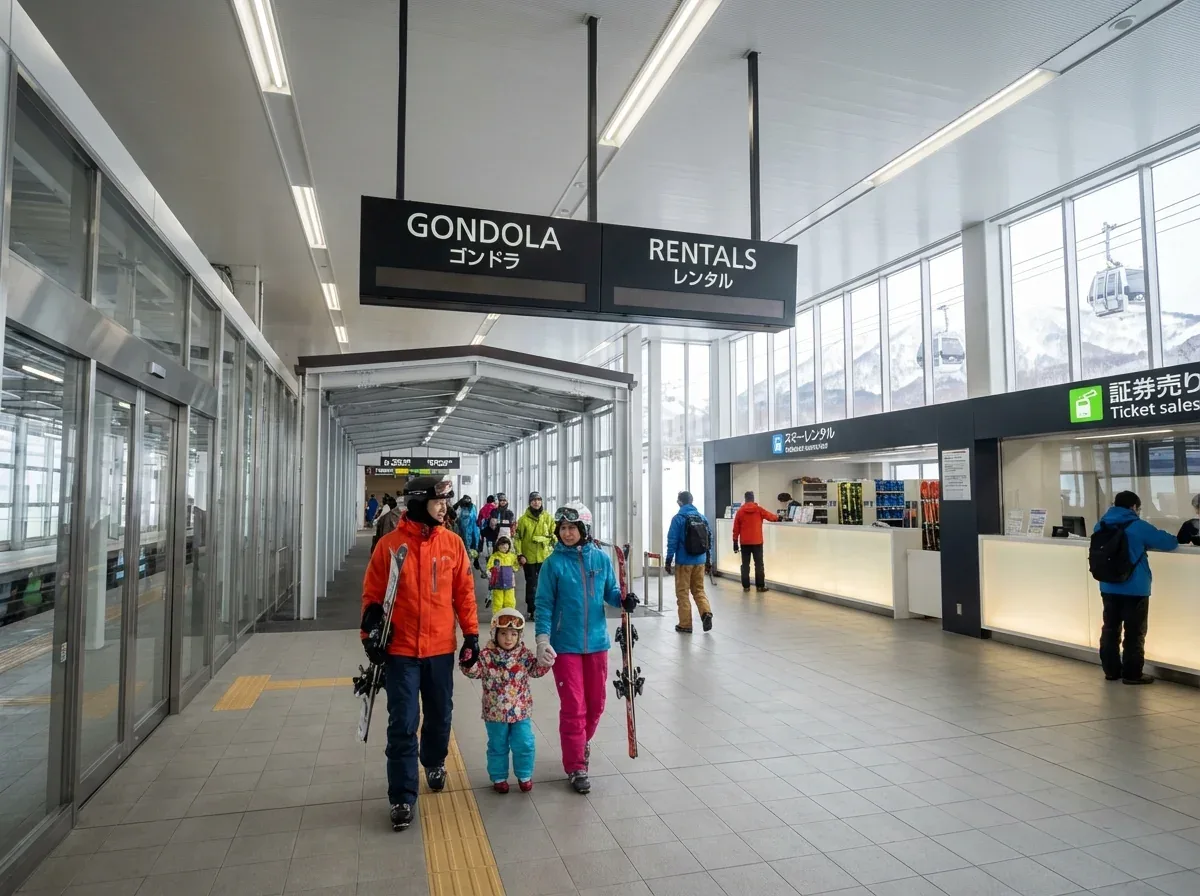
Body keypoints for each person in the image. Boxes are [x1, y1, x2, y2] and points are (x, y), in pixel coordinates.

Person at [359, 475, 479, 831]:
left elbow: (465, 594)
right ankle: (402, 795)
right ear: (416, 503)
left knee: (441, 715)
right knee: (403, 722)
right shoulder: (390, 546)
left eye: (446, 501)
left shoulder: (453, 544)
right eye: (438, 501)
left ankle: (434, 760)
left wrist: (471, 636)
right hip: (401, 651)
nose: (445, 507)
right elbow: (373, 594)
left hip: (440, 648)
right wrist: (370, 632)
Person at [534, 502, 637, 794]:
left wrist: (624, 600)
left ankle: (581, 741)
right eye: (563, 528)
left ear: (584, 529)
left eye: (572, 528)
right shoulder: (552, 564)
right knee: (574, 707)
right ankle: (577, 765)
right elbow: (543, 605)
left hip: (597, 643)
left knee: (596, 704)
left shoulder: (601, 560)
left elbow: (612, 593)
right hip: (564, 645)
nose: (566, 533)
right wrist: (543, 639)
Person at [460, 608, 551, 793]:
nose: (508, 638)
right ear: (495, 634)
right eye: (503, 633)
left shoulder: (524, 655)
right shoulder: (486, 656)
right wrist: (468, 661)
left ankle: (524, 774)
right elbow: (474, 672)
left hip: (521, 712)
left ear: (519, 635)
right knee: (497, 745)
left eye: (513, 634)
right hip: (494, 713)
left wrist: (545, 662)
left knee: (525, 742)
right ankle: (499, 776)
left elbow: (535, 671)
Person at [1094, 490, 1178, 685]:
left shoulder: (1101, 524)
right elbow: (1168, 542)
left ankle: (1111, 671)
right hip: (1135, 587)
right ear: (1133, 507)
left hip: (1108, 585)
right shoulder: (1138, 526)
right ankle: (1132, 674)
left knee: (1109, 628)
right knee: (1134, 632)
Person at [664, 490, 713, 634]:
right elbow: (709, 540)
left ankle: (685, 624)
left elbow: (672, 541)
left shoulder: (678, 518)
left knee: (683, 592)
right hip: (700, 560)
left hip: (684, 562)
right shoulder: (702, 517)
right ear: (691, 501)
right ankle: (706, 612)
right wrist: (709, 560)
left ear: (680, 501)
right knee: (699, 590)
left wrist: (668, 560)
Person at [514, 491, 555, 621]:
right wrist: (520, 554)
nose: (536, 502)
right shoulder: (523, 520)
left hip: (544, 556)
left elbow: (555, 535)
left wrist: (545, 539)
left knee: (545, 584)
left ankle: (545, 609)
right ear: (530, 502)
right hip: (529, 557)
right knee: (531, 584)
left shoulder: (548, 518)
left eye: (538, 500)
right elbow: (517, 538)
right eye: (533, 500)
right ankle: (532, 609)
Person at [732, 491, 778, 592]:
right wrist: (778, 517)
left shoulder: (740, 511)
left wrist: (735, 541)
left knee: (745, 565)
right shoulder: (759, 510)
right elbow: (770, 517)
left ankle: (746, 586)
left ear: (745, 499)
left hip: (744, 543)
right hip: (757, 542)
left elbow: (736, 528)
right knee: (759, 564)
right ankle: (760, 586)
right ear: (753, 498)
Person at [488, 536, 521, 615]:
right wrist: (490, 573)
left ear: (509, 546)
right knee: (497, 602)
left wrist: (519, 562)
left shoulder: (512, 556)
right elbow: (489, 567)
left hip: (509, 583)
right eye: (501, 545)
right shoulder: (494, 557)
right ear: (498, 546)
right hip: (497, 584)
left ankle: (510, 616)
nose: (504, 546)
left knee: (510, 601)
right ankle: (497, 617)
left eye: (506, 544)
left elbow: (516, 567)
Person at [453, 495, 481, 565]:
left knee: (469, 547)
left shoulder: (472, 507)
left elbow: (474, 520)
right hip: (462, 531)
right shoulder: (460, 507)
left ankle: (468, 562)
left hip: (470, 531)